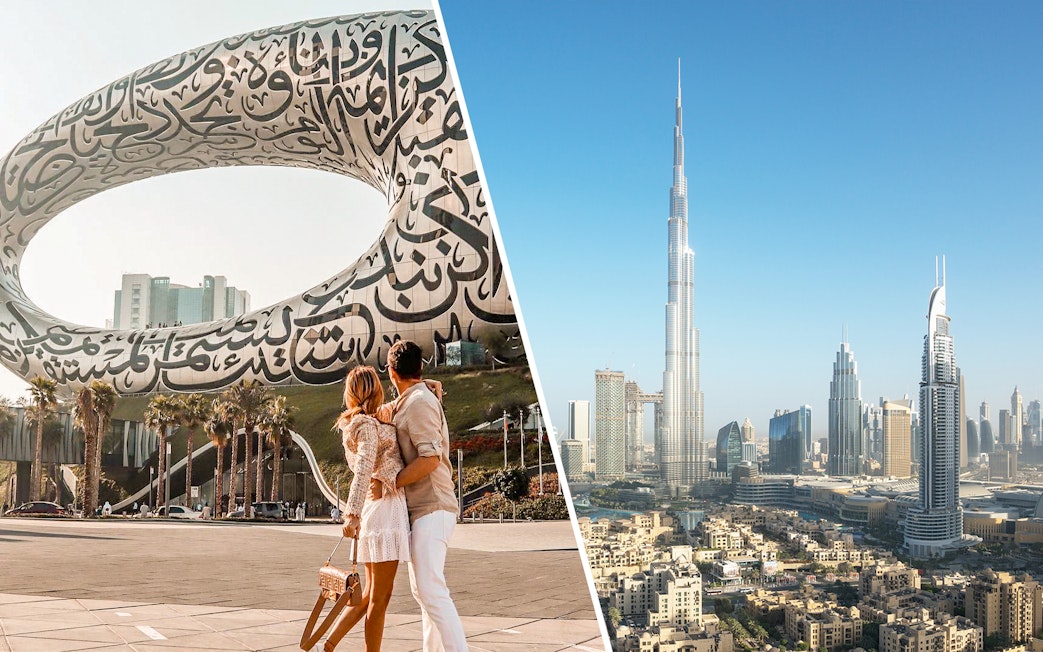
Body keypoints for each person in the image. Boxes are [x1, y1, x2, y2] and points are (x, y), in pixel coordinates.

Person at [381, 340, 468, 651]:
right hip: (425, 510)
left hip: (433, 507)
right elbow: (373, 413)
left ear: (391, 372)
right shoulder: (412, 399)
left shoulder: (418, 402)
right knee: (425, 592)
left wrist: (390, 482)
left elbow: (429, 458)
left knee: (431, 591)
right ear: (420, 368)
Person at [322, 366, 411, 651]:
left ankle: (329, 643)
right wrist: (352, 513)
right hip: (384, 510)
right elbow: (363, 469)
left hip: (381, 507)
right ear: (376, 389)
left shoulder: (365, 420)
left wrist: (430, 387)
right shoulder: (366, 425)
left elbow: (392, 407)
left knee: (372, 593)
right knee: (379, 599)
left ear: (350, 393)